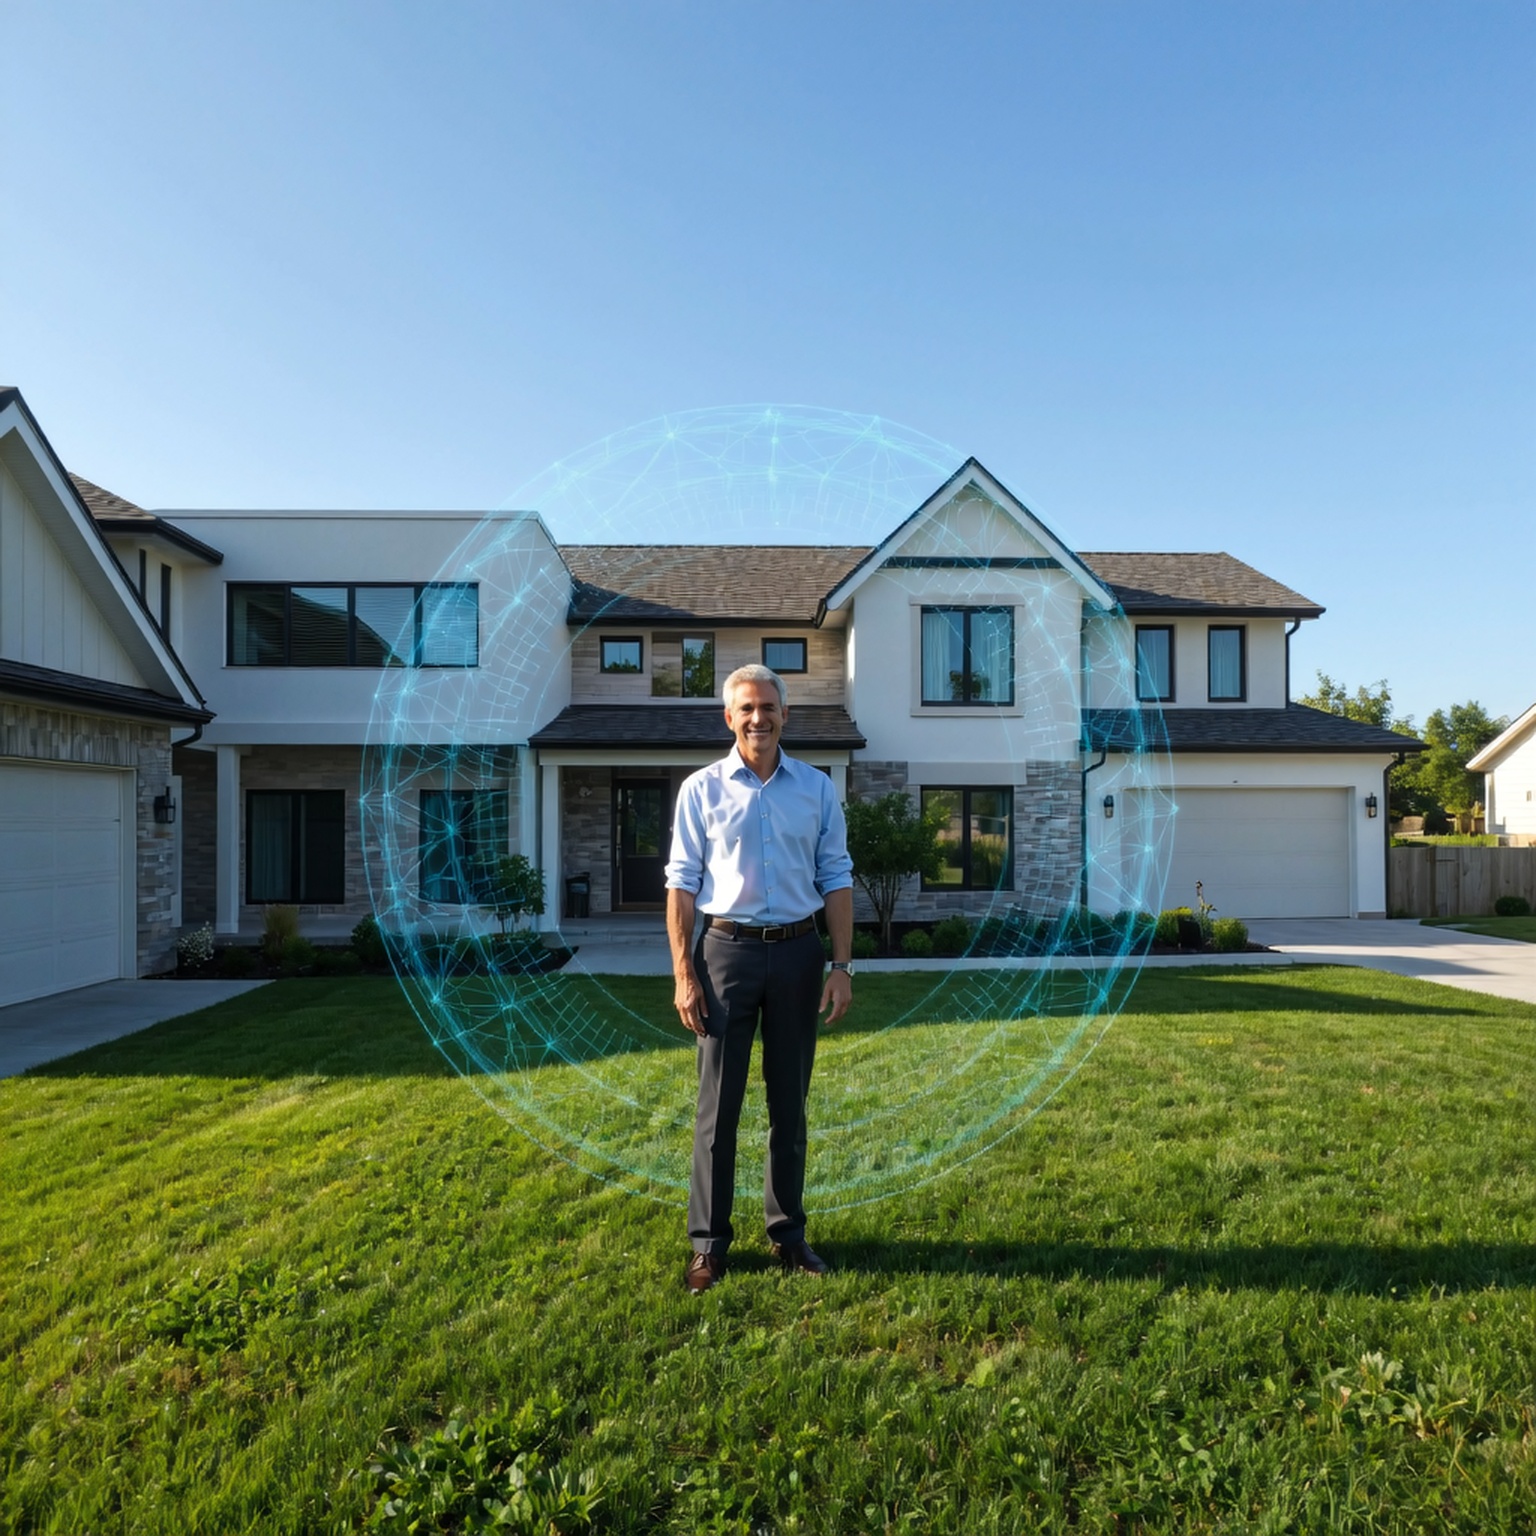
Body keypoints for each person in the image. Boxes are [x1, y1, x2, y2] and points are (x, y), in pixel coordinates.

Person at [664, 663, 854, 1294]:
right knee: (718, 1110)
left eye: (768, 707)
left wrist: (841, 966)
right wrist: (684, 973)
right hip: (725, 955)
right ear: (729, 717)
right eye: (746, 708)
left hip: (799, 954)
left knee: (789, 1105)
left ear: (785, 715)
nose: (757, 718)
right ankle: (708, 1246)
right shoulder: (700, 790)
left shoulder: (817, 789)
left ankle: (788, 1234)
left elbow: (836, 877)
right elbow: (681, 885)